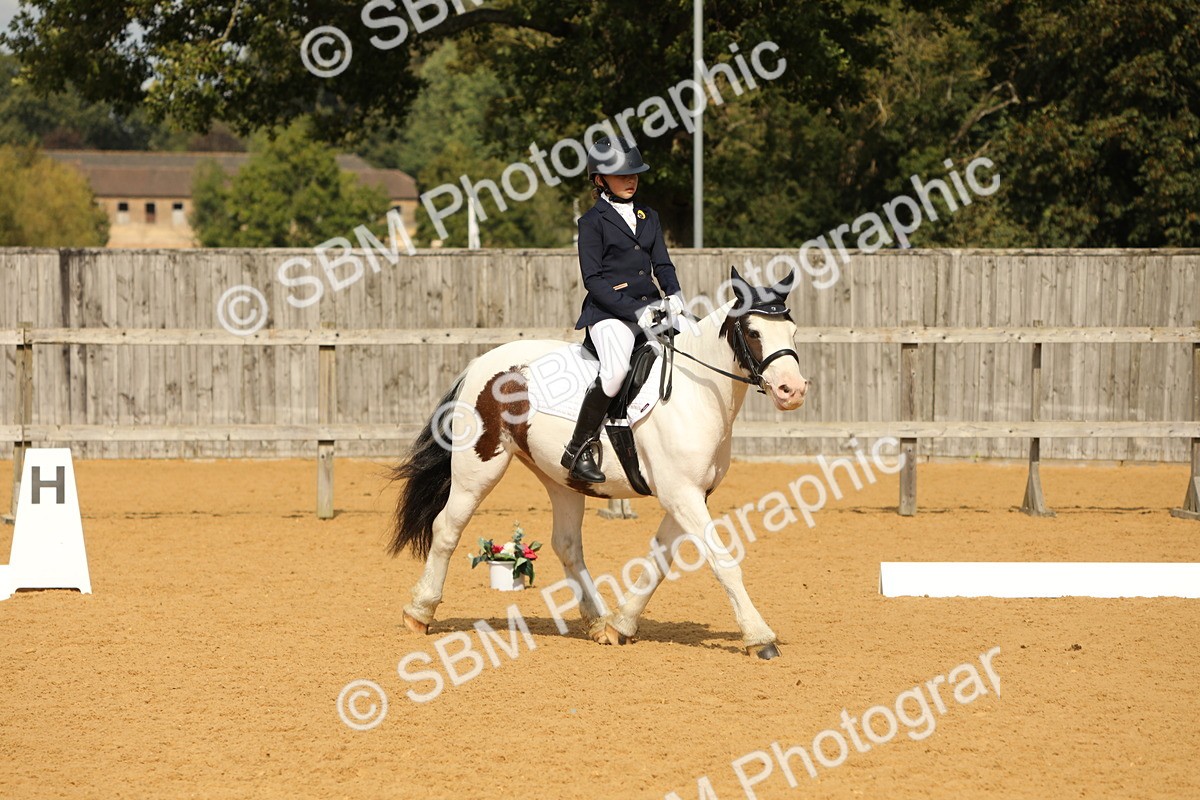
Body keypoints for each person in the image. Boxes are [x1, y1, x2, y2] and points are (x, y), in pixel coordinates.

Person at [560, 135, 686, 483]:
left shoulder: (649, 216)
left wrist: (674, 294)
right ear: (600, 180)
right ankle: (578, 448)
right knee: (615, 373)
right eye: (621, 175)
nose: (630, 180)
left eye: (634, 174)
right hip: (608, 314)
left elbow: (662, 264)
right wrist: (635, 312)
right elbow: (594, 280)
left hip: (651, 309)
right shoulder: (591, 221)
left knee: (690, 349)